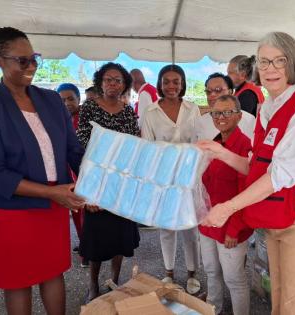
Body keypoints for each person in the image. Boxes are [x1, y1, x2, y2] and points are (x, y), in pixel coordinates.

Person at [199, 32, 295, 315]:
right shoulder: (267, 109)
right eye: (264, 62)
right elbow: (257, 169)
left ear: (294, 64)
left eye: (280, 60)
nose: (270, 69)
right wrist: (220, 152)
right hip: (279, 215)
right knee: (279, 299)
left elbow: (280, 175)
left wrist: (228, 208)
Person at [0, 27, 85, 315]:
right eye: (22, 61)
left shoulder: (51, 100)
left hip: (54, 204)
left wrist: (93, 182)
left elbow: (73, 150)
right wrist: (51, 193)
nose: (31, 66)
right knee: (18, 281)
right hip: (13, 210)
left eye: (34, 58)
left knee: (53, 272)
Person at [77, 62, 140, 303]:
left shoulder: (127, 111)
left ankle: (114, 280)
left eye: (118, 80)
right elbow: (82, 138)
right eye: (108, 79)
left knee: (120, 235)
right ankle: (93, 283)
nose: (113, 84)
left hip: (121, 182)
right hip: (96, 179)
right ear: (100, 82)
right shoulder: (89, 108)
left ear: (124, 85)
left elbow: (133, 143)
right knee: (96, 237)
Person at [141, 64, 201, 295]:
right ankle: (168, 273)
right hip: (164, 178)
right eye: (166, 81)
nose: (171, 86)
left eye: (176, 81)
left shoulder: (192, 109)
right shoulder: (151, 112)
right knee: (167, 228)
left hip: (188, 177)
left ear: (183, 84)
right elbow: (148, 147)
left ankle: (192, 274)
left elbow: (197, 141)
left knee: (189, 228)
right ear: (160, 84)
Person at [199, 95, 253, 315]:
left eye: (227, 112)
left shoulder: (244, 147)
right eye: (216, 113)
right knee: (211, 271)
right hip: (208, 222)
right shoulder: (214, 143)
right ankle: (214, 309)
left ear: (239, 116)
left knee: (235, 279)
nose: (220, 117)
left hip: (232, 226)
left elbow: (247, 194)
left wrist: (234, 230)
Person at [56, 82, 88, 268]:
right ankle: (83, 244)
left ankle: (87, 250)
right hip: (64, 172)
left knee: (83, 209)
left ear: (78, 99)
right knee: (74, 211)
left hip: (83, 170)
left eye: (71, 99)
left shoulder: (85, 118)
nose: (67, 103)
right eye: (62, 100)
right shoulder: (55, 120)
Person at [196, 72, 255, 142]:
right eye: (208, 91)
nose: (212, 94)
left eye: (218, 90)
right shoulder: (201, 121)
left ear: (230, 92)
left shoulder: (248, 119)